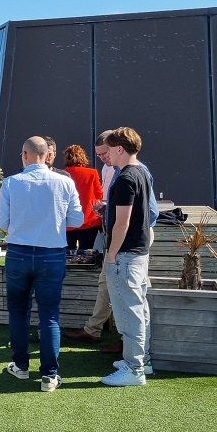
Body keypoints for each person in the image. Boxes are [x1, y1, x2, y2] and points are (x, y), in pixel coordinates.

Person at [0, 136, 83, 392]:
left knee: (18, 313)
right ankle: (49, 375)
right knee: (50, 316)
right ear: (47, 155)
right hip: (52, 254)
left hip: (19, 253)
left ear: (24, 154)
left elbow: (1, 221)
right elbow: (76, 220)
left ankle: (21, 366)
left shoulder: (12, 182)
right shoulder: (65, 182)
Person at [64, 131, 159, 349]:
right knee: (113, 288)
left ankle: (132, 351)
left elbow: (149, 213)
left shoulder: (131, 173)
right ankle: (97, 331)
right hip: (125, 241)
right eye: (99, 155)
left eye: (104, 153)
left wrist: (114, 250)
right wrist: (110, 211)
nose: (103, 158)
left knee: (130, 296)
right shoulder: (120, 171)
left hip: (128, 243)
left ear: (117, 149)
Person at [100, 127, 152, 387]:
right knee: (139, 307)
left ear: (120, 148)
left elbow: (122, 223)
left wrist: (111, 255)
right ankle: (143, 361)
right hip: (139, 253)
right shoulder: (141, 172)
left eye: (109, 150)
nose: (106, 154)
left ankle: (135, 368)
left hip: (126, 254)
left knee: (129, 312)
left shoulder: (125, 178)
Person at [62, 144, 103, 250]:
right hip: (89, 221)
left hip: (67, 222)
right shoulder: (92, 173)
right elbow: (100, 195)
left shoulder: (61, 175)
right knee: (87, 254)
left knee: (67, 255)